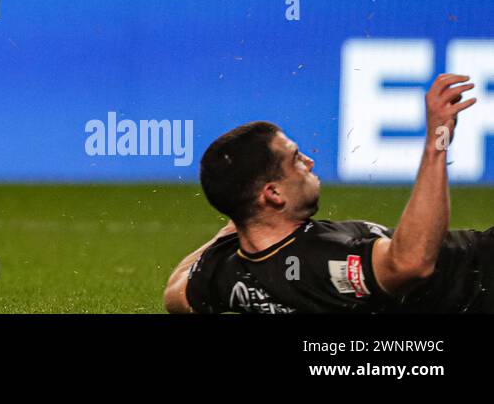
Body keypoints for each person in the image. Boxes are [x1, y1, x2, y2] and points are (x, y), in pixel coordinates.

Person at [165, 74, 494, 313]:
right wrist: (437, 143)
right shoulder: (320, 258)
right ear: (273, 194)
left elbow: (176, 293)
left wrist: (239, 219)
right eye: (295, 159)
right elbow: (409, 264)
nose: (308, 161)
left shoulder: (229, 271)